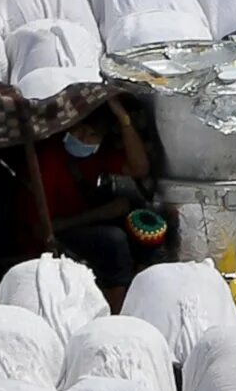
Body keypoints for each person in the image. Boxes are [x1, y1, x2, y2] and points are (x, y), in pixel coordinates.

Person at [25, 101, 156, 304]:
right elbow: (40, 230)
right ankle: (117, 308)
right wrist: (100, 214)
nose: (84, 139)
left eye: (93, 135)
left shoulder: (96, 156)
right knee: (113, 240)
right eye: (81, 131)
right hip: (44, 237)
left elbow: (140, 169)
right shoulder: (49, 158)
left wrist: (125, 121)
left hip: (76, 224)